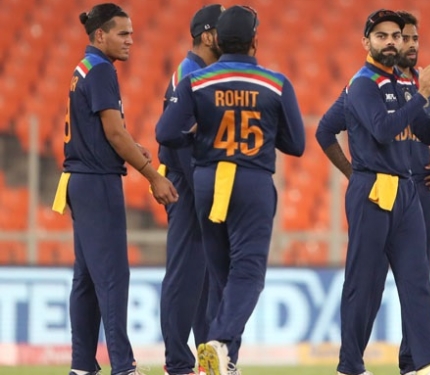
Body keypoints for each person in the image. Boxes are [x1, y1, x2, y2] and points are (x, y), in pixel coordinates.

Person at [155, 5, 305, 375]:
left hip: (207, 180)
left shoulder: (197, 80)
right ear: (255, 40)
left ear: (219, 38)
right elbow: (296, 144)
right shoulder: (275, 82)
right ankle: (219, 341)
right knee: (248, 271)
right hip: (251, 178)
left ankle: (221, 360)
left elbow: (164, 133)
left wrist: (202, 140)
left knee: (218, 273)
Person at [336, 9, 430, 375]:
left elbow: (428, 133)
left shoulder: (403, 86)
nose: (391, 42)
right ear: (366, 42)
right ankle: (349, 366)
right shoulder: (362, 83)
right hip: (373, 190)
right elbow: (383, 130)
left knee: (416, 279)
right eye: (381, 36)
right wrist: (423, 95)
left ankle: (428, 362)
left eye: (396, 36)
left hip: (406, 189)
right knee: (363, 283)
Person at [51, 3, 178, 375]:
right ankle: (124, 366)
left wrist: (127, 144)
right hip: (96, 181)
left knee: (87, 279)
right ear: (100, 35)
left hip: (79, 179)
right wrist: (153, 175)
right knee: (112, 277)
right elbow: (113, 131)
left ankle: (81, 366)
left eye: (132, 34)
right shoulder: (103, 70)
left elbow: (104, 132)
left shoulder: (84, 67)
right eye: (123, 34)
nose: (130, 41)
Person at [158, 4, 223, 375]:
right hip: (188, 182)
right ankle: (177, 363)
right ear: (208, 35)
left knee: (202, 279)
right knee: (185, 275)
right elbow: (175, 136)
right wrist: (200, 189)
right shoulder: (191, 72)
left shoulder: (201, 72)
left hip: (195, 179)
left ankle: (206, 362)